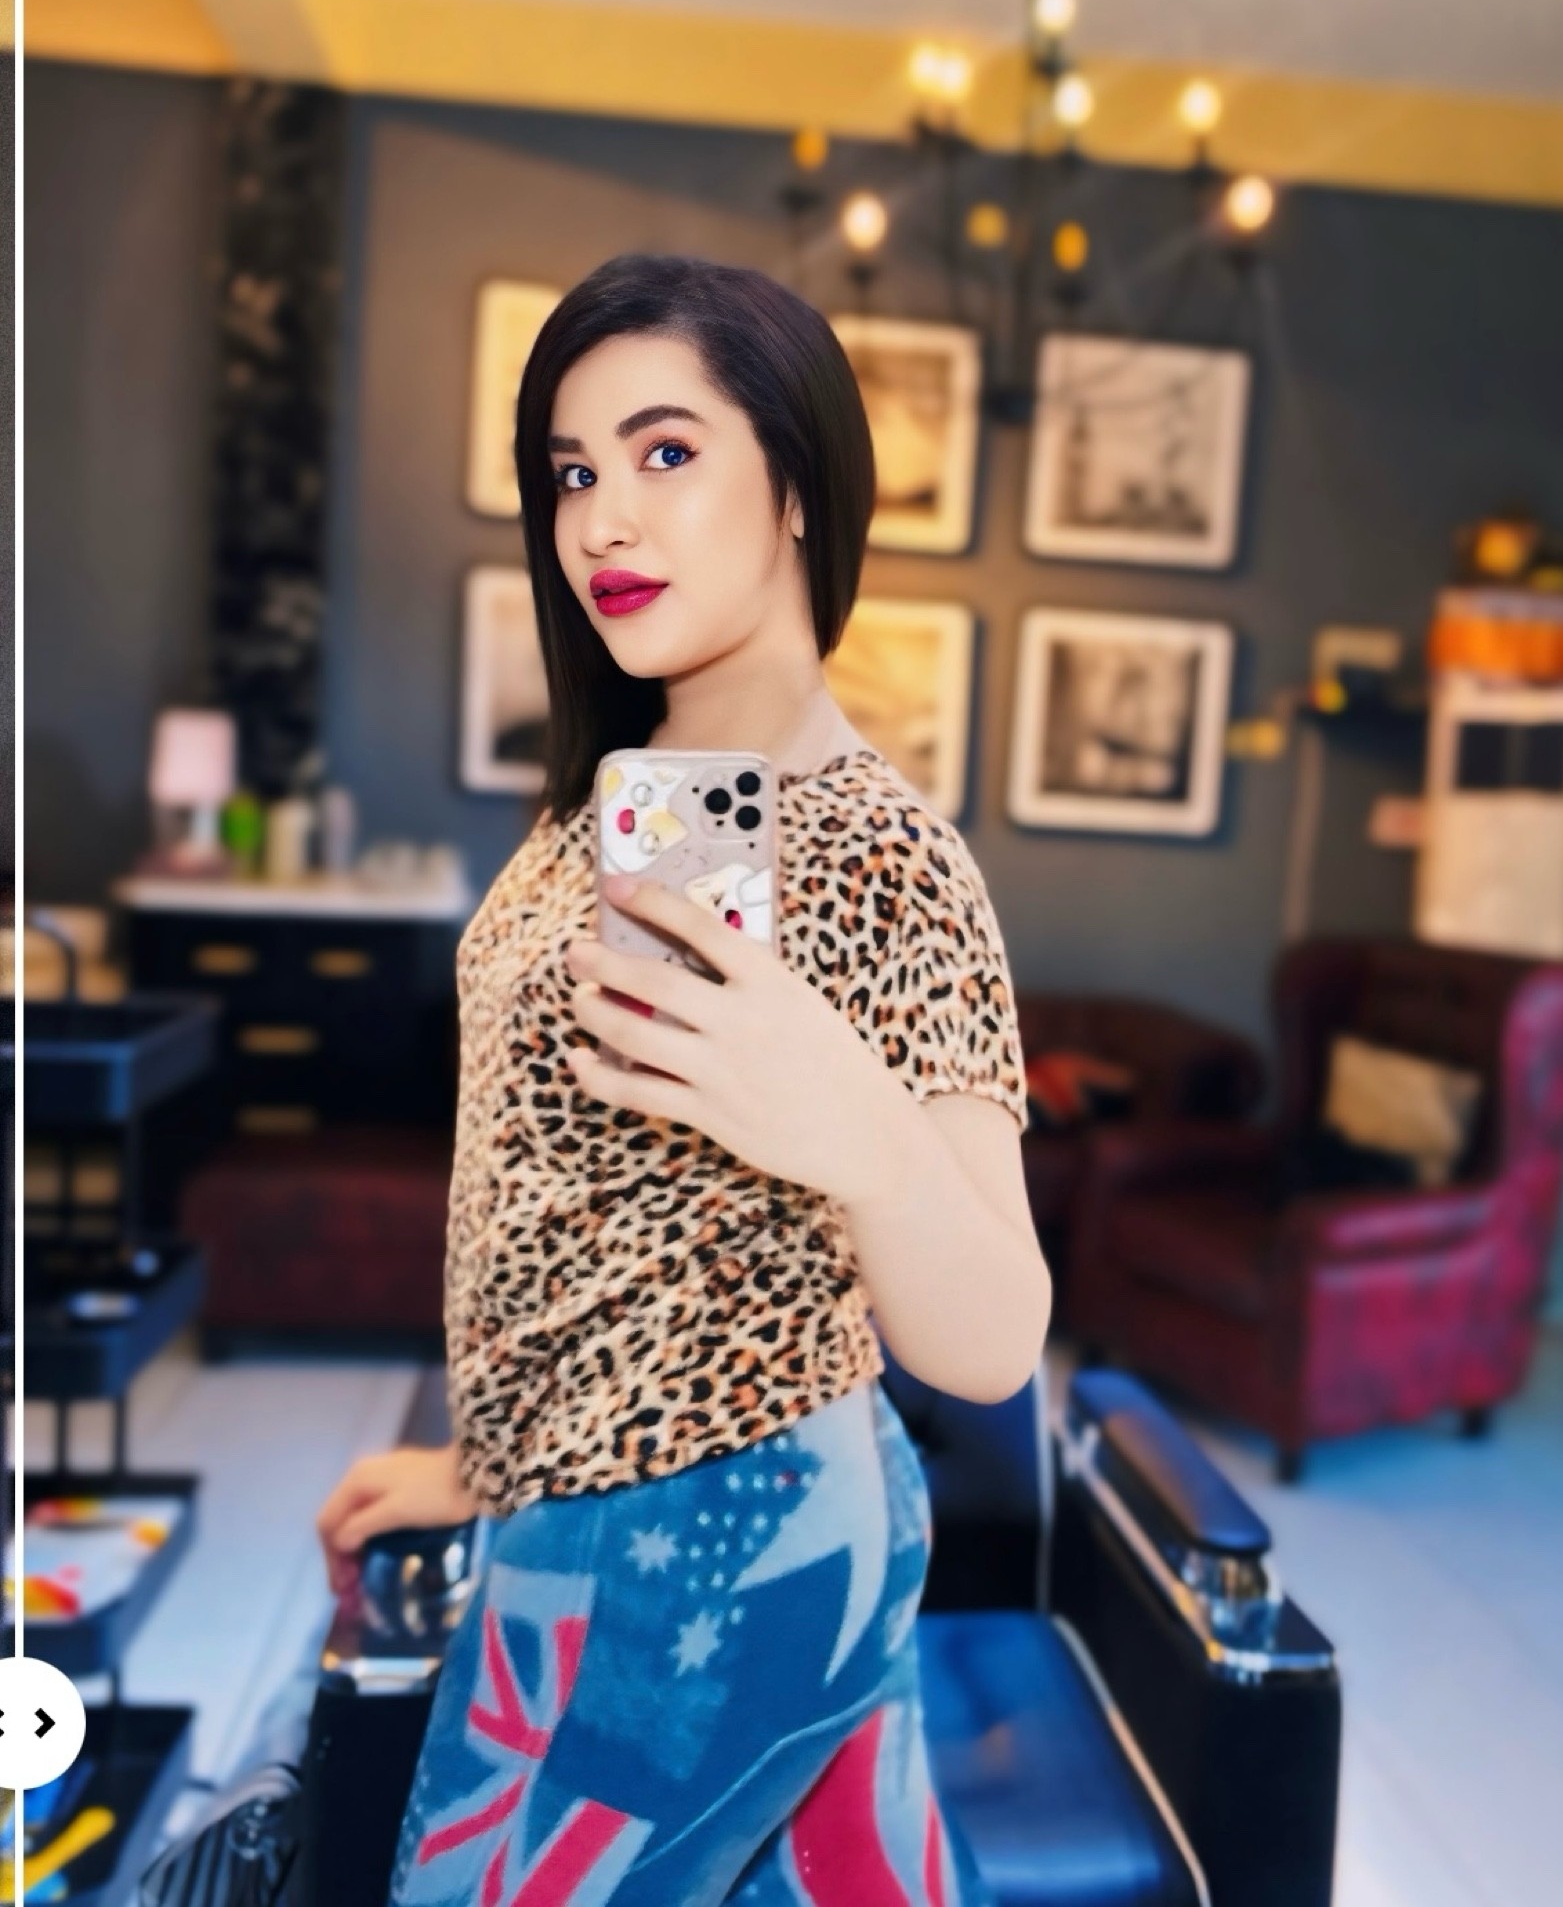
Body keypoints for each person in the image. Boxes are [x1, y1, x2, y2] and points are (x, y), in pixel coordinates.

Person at [314, 251, 1051, 1906]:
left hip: (729, 1526)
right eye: (573, 473)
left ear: (794, 487)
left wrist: (853, 1124)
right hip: (589, 1513)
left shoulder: (880, 855)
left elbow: (998, 1336)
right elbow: (600, 1216)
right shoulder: (628, 802)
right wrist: (485, 1468)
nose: (603, 521)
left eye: (664, 452)